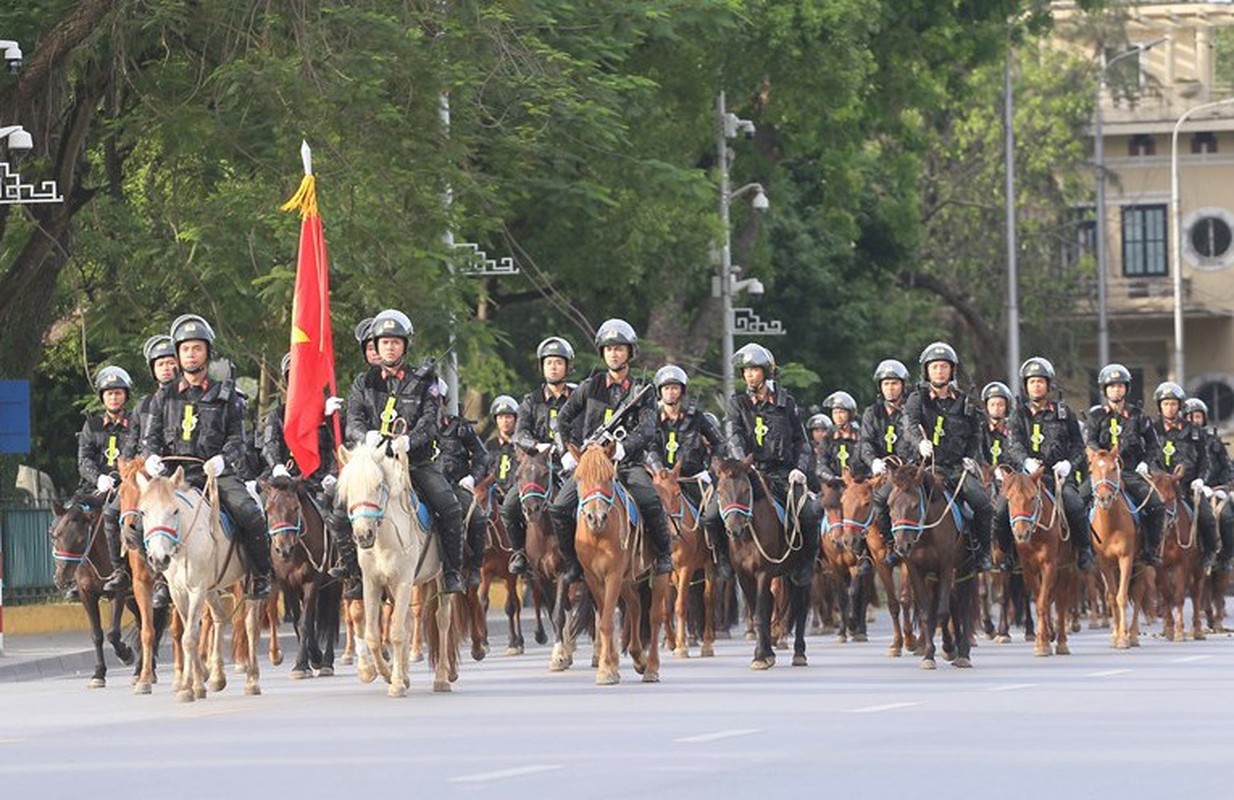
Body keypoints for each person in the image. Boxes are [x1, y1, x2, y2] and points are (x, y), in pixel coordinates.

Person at [140, 314, 274, 598]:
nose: (191, 354)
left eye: (197, 348)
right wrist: (151, 456)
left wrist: (223, 459)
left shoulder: (225, 395)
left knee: (250, 513)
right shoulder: (162, 398)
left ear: (207, 353)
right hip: (173, 477)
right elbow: (150, 438)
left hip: (213, 472)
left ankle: (260, 574)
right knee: (135, 517)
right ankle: (162, 577)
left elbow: (238, 439)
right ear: (178, 354)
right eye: (185, 349)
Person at [336, 308, 467, 594]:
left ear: (405, 345)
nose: (390, 346)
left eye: (395, 341)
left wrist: (409, 440)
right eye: (384, 342)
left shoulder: (424, 381)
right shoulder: (363, 382)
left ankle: (452, 572)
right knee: (336, 510)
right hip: (374, 464)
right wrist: (365, 435)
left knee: (450, 506)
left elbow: (430, 422)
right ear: (376, 345)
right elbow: (353, 421)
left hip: (414, 462)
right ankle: (354, 574)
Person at [551, 319, 674, 580]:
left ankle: (663, 555)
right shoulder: (589, 386)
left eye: (619, 348)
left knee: (651, 501)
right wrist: (566, 452)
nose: (614, 353)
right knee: (560, 507)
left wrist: (623, 448)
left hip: (627, 464)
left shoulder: (644, 390)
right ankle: (573, 563)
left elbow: (648, 429)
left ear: (630, 352)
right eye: (608, 349)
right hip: (592, 466)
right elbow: (561, 419)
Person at [702, 343, 819, 587]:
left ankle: (807, 563)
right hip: (746, 472)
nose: (749, 375)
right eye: (745, 371)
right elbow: (732, 435)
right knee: (711, 514)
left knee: (809, 511)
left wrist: (800, 469)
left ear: (766, 371)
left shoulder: (786, 403)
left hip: (782, 473)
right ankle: (724, 559)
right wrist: (744, 463)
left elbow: (802, 442)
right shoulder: (737, 403)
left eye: (754, 370)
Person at [902, 342, 994, 571]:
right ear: (926, 371)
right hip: (927, 468)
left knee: (983, 505)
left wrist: (971, 457)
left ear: (952, 370)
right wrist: (919, 442)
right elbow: (909, 424)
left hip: (956, 469)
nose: (939, 371)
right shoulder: (917, 398)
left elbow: (976, 433)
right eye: (934, 367)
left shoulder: (966, 402)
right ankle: (893, 547)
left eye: (944, 367)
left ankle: (981, 553)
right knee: (891, 499)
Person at [1004, 357, 1095, 571]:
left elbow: (1078, 446)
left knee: (1074, 504)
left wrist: (1068, 465)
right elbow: (1013, 444)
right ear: (1026, 386)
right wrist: (1025, 461)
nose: (1036, 385)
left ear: (1048, 384)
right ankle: (1007, 555)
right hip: (1027, 479)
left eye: (1040, 381)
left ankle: (1084, 550)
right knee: (1000, 510)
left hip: (1058, 476)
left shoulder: (1064, 413)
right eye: (1032, 381)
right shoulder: (1017, 414)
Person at [505, 337, 575, 575]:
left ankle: (578, 557)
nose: (553, 367)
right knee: (509, 506)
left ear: (567, 366)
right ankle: (520, 553)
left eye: (558, 362)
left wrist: (571, 450)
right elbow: (519, 433)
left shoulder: (578, 398)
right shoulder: (530, 400)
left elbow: (586, 426)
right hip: (537, 467)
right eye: (548, 363)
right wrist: (537, 446)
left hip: (569, 465)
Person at [650, 364, 729, 576]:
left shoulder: (696, 417)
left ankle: (720, 557)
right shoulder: (651, 418)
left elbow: (719, 443)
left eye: (675, 388)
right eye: (666, 388)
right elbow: (647, 445)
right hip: (662, 480)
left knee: (713, 516)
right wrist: (659, 470)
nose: (671, 392)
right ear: (660, 392)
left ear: (682, 391)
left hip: (693, 480)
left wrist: (711, 469)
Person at [1083, 363, 1165, 566]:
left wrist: (1146, 463)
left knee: (1156, 504)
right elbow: (1089, 441)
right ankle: (1085, 549)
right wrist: (1100, 457)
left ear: (1126, 389)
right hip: (1103, 474)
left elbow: (1154, 445)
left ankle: (1150, 549)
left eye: (1120, 386)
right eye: (1111, 386)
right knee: (1077, 502)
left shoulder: (1139, 416)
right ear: (1105, 390)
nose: (1116, 390)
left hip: (1130, 472)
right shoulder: (1095, 417)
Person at [78, 366, 138, 597]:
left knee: (124, 517)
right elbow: (84, 460)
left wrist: (122, 477)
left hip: (129, 485)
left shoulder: (135, 423)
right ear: (102, 397)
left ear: (125, 396)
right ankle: (76, 576)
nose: (113, 397)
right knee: (69, 519)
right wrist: (98, 478)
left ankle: (121, 570)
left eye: (118, 393)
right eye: (109, 393)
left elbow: (139, 453)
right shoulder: (91, 425)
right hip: (98, 486)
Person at [1149, 382, 1219, 571]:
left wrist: (1201, 480)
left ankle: (1210, 552)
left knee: (1207, 516)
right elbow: (1149, 457)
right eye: (1165, 404)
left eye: (1173, 404)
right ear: (1159, 406)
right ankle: (1147, 552)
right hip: (1161, 485)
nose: (1169, 408)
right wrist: (1157, 474)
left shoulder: (1193, 430)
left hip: (1188, 486)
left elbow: (1205, 460)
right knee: (1143, 514)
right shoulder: (1151, 429)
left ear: (1179, 406)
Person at [434, 380, 491, 588]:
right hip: (424, 485)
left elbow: (481, 456)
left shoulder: (460, 427)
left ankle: (474, 567)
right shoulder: (415, 427)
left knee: (478, 518)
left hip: (456, 486)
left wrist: (472, 477)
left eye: (437, 399)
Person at [859, 359, 916, 564]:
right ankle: (885, 546)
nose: (890, 388)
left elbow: (917, 438)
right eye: (886, 384)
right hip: (882, 473)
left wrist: (909, 464)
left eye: (894, 383)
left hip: (909, 472)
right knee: (874, 502)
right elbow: (865, 442)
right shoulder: (871, 413)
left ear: (903, 385)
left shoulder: (912, 410)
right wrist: (873, 460)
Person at [1185, 397, 1234, 571]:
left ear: (1204, 418)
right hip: (1192, 489)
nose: (1194, 420)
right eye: (1190, 417)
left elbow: (1227, 467)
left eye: (1197, 416)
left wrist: (1224, 487)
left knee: (1226, 516)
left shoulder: (1214, 440)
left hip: (1216, 490)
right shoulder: (1182, 441)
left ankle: (1227, 556)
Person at [487, 394, 520, 498]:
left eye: (508, 417)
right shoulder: (489, 446)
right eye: (500, 417)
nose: (504, 421)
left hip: (517, 495)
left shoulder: (522, 445)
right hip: (492, 495)